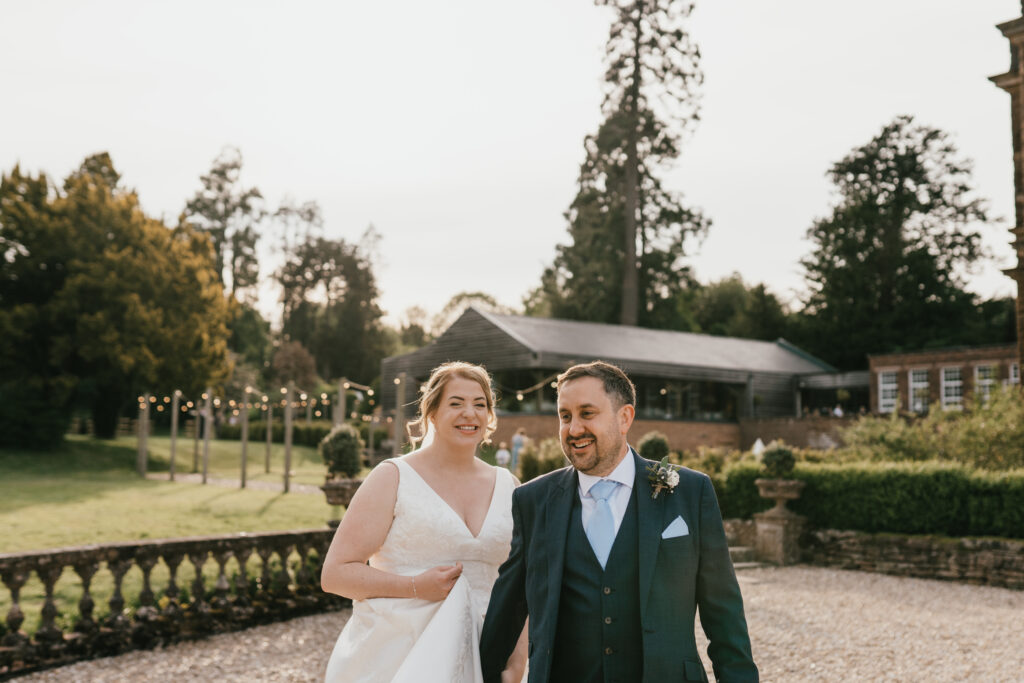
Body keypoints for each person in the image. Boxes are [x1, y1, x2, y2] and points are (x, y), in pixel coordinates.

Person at [480, 360, 758, 683]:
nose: (573, 429)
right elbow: (507, 611)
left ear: (624, 417)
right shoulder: (533, 501)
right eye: (565, 416)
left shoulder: (690, 493)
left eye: (587, 413)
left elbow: (724, 616)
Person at [321, 362, 527, 683]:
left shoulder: (509, 485)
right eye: (456, 403)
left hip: (489, 654)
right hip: (401, 655)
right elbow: (335, 574)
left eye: (480, 404)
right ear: (432, 413)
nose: (469, 413)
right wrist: (415, 587)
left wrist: (517, 662)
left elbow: (521, 585)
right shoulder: (393, 477)